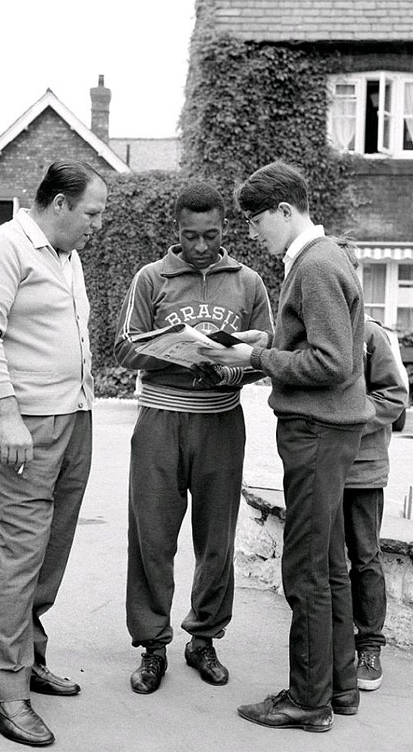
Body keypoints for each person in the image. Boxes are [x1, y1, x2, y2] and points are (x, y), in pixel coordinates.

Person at [197, 161, 374, 733]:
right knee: (329, 564)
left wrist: (253, 358)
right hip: (332, 430)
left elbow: (331, 362)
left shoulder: (315, 266)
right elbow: (322, 341)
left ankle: (307, 701)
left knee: (305, 571)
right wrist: (267, 340)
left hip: (317, 432)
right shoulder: (324, 258)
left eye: (255, 220)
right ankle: (339, 690)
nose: (251, 233)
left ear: (284, 211)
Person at [0, 160, 107, 748]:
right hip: (20, 424)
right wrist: (9, 414)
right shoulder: (1, 250)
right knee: (22, 547)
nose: (98, 224)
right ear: (60, 204)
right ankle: (2, 690)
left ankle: (28, 654)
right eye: (92, 213)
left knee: (53, 544)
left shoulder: (65, 254)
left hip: (72, 415)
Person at [114, 182, 274, 694]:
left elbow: (266, 355)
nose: (200, 247)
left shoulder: (248, 283)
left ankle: (203, 638)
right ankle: (152, 646)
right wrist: (178, 352)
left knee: (216, 539)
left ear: (224, 229)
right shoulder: (150, 278)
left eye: (209, 236)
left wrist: (234, 371)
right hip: (160, 421)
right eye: (189, 236)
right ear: (175, 230)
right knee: (151, 538)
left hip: (220, 424)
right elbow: (122, 349)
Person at [344, 317, 408, 692]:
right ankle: (334, 645)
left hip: (363, 469)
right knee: (325, 559)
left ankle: (369, 647)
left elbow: (395, 396)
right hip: (319, 467)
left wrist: (345, 421)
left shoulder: (371, 334)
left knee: (365, 557)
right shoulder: (312, 330)